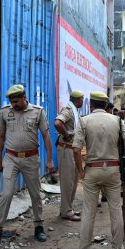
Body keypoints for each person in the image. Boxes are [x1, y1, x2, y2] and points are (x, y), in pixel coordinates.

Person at [0, 85, 55, 249]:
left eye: (16, 101)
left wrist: (49, 160)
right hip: (11, 158)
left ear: (24, 98)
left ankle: (38, 226)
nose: (13, 104)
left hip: (31, 158)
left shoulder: (38, 112)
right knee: (6, 194)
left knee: (35, 194)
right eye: (11, 101)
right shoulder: (5, 112)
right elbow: (1, 136)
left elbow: (46, 135)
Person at [73, 91, 125, 249]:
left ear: (91, 104)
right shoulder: (116, 120)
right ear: (105, 105)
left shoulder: (83, 121)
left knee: (88, 213)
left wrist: (80, 171)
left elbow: (76, 149)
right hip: (113, 170)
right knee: (115, 211)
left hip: (92, 170)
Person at [54, 90, 84, 222]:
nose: (83, 101)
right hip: (67, 149)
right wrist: (66, 135)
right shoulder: (68, 110)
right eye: (82, 99)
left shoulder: (75, 110)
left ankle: (67, 208)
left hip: (73, 150)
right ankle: (66, 211)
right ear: (77, 100)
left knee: (73, 180)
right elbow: (58, 123)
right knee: (67, 182)